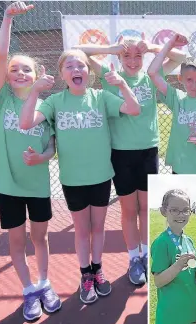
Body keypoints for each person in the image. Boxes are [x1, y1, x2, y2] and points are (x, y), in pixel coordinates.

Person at [20, 49, 140, 304]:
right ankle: (85, 274)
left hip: (100, 176)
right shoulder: (54, 102)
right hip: (73, 179)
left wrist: (121, 85)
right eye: (70, 66)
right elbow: (26, 122)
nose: (76, 70)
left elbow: (133, 108)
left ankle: (97, 269)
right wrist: (35, 91)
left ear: (88, 72)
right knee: (82, 230)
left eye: (81, 66)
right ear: (62, 73)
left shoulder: (100, 97)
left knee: (98, 227)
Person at [73, 33, 186, 285]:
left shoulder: (151, 75)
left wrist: (154, 47)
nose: (133, 61)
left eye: (138, 55)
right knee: (128, 209)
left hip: (148, 150)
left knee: (145, 207)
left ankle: (146, 255)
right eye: (127, 55)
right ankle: (133, 258)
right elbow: (78, 50)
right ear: (119, 56)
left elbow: (181, 56)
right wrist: (113, 49)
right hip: (121, 152)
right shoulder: (110, 76)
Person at [0, 1, 60, 321]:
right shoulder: (1, 101)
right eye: (14, 69)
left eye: (25, 68)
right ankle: (28, 290)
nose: (17, 72)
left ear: (38, 75)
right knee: (17, 240)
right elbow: (1, 56)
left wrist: (43, 156)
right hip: (10, 184)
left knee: (40, 238)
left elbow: (53, 141)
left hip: (37, 182)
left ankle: (45, 284)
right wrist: (7, 19)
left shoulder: (45, 105)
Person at [148, 34, 196, 174]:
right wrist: (170, 43)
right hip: (181, 165)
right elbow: (152, 72)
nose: (194, 85)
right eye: (189, 80)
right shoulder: (176, 97)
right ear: (180, 78)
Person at [151, 189, 196, 324]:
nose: (181, 215)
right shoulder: (162, 242)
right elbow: (158, 281)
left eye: (185, 210)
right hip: (173, 308)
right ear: (163, 211)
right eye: (174, 210)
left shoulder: (188, 240)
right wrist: (178, 265)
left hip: (187, 303)